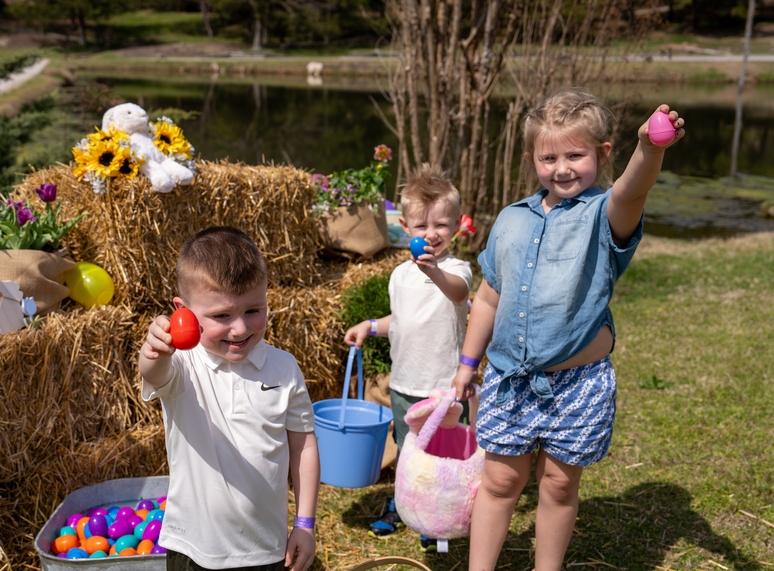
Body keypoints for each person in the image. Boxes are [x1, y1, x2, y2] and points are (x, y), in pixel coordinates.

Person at [451, 88, 685, 571]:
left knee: (558, 485)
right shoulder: (511, 220)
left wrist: (650, 148)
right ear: (532, 158)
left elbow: (632, 188)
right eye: (549, 156)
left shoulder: (605, 214)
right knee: (499, 482)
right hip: (510, 381)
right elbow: (490, 297)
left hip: (577, 385)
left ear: (601, 155)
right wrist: (467, 363)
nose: (561, 168)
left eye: (575, 155)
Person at [139, 226, 320, 571]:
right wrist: (155, 349)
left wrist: (305, 524)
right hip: (194, 548)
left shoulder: (284, 368)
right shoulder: (183, 365)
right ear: (184, 311)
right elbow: (153, 372)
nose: (240, 329)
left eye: (253, 310)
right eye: (222, 316)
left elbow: (303, 446)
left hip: (267, 548)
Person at [344, 163, 473, 550]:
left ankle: (438, 515)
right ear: (405, 225)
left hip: (443, 386)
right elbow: (401, 321)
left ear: (457, 225)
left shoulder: (455, 268)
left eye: (441, 225)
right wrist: (370, 325)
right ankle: (402, 504)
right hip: (404, 384)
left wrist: (433, 271)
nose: (431, 235)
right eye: (422, 227)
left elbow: (459, 295)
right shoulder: (400, 275)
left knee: (441, 454)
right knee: (408, 449)